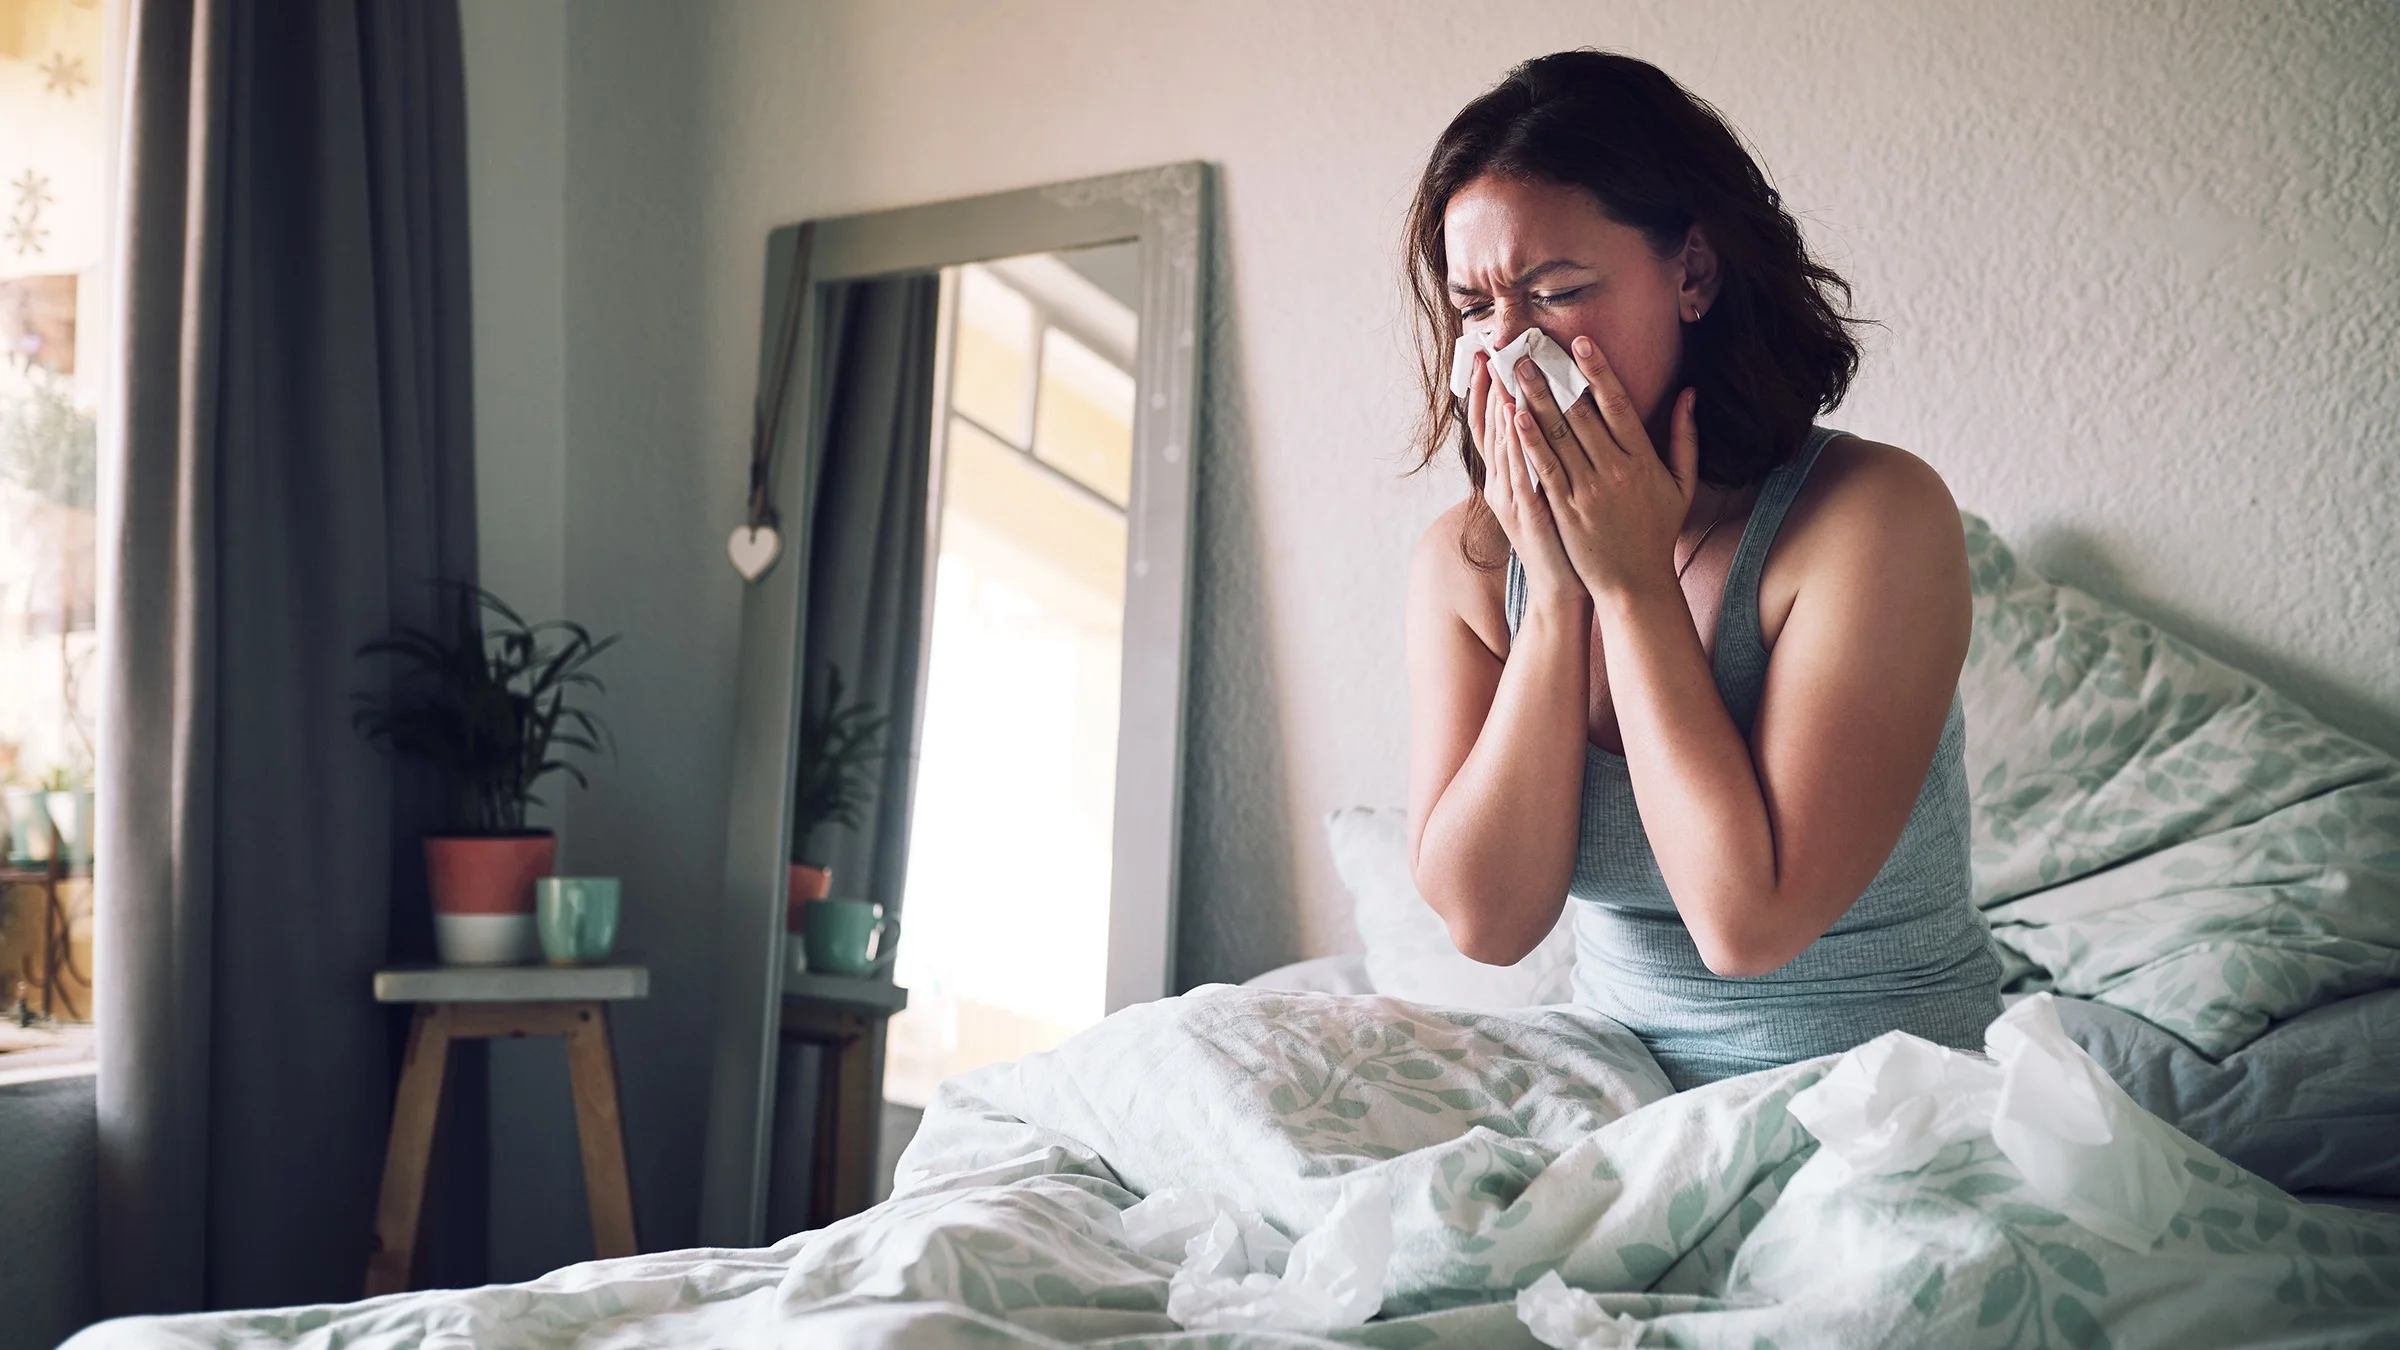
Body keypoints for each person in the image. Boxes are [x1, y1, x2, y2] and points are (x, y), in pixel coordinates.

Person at [1403, 49, 2001, 1090]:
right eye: (1476, 310)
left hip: (1877, 1097)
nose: (1509, 352)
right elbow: (1486, 925)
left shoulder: (1872, 517)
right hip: (1622, 1098)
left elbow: (1745, 924)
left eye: (1556, 293)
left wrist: (1631, 585)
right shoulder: (1471, 560)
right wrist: (1558, 598)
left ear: (1693, 274)